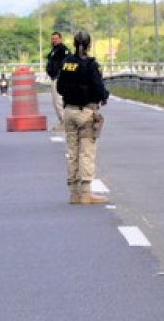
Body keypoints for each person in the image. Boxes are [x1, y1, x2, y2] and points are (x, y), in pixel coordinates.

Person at [55, 30, 110, 205]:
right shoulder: (91, 65)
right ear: (89, 45)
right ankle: (86, 192)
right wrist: (103, 95)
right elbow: (99, 89)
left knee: (72, 152)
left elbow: (60, 88)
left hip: (69, 112)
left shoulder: (66, 63)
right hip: (86, 113)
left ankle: (73, 193)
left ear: (73, 44)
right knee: (87, 152)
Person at [45, 31, 70, 131]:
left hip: (59, 78)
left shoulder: (63, 50)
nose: (54, 40)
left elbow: (67, 63)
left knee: (58, 101)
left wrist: (61, 74)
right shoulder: (54, 50)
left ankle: (65, 122)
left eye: (55, 38)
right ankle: (63, 121)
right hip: (54, 77)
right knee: (56, 102)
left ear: (60, 39)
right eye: (52, 39)